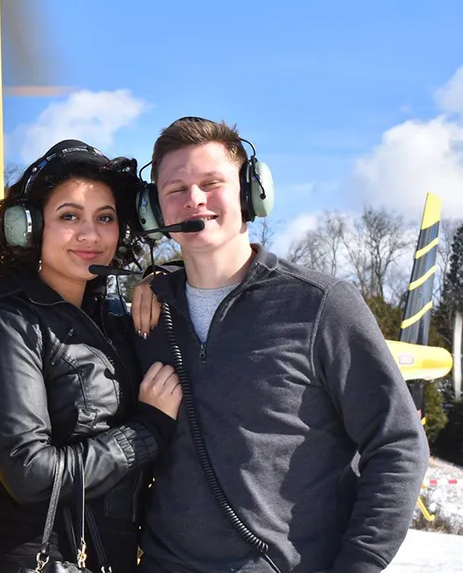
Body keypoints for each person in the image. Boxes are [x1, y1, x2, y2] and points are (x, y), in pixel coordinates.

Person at [130, 116, 429, 572]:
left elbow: (399, 444)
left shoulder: (321, 305)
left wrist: (360, 563)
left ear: (250, 194)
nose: (194, 199)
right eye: (175, 189)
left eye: (212, 183)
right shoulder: (147, 314)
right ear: (156, 210)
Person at [0, 139, 182, 573]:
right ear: (31, 228)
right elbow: (33, 477)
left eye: (105, 218)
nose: (90, 235)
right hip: (28, 558)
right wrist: (147, 430)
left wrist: (168, 276)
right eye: (69, 216)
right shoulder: (10, 322)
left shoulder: (113, 317)